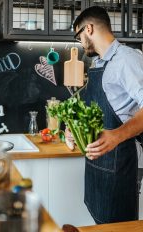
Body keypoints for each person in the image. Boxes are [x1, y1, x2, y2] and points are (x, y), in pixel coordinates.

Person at [67, 6, 143, 224]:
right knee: (102, 224)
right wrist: (76, 128)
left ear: (88, 28)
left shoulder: (127, 59)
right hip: (99, 165)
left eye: (79, 35)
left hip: (121, 163)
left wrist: (116, 136)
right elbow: (96, 111)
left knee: (118, 226)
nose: (80, 42)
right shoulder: (98, 63)